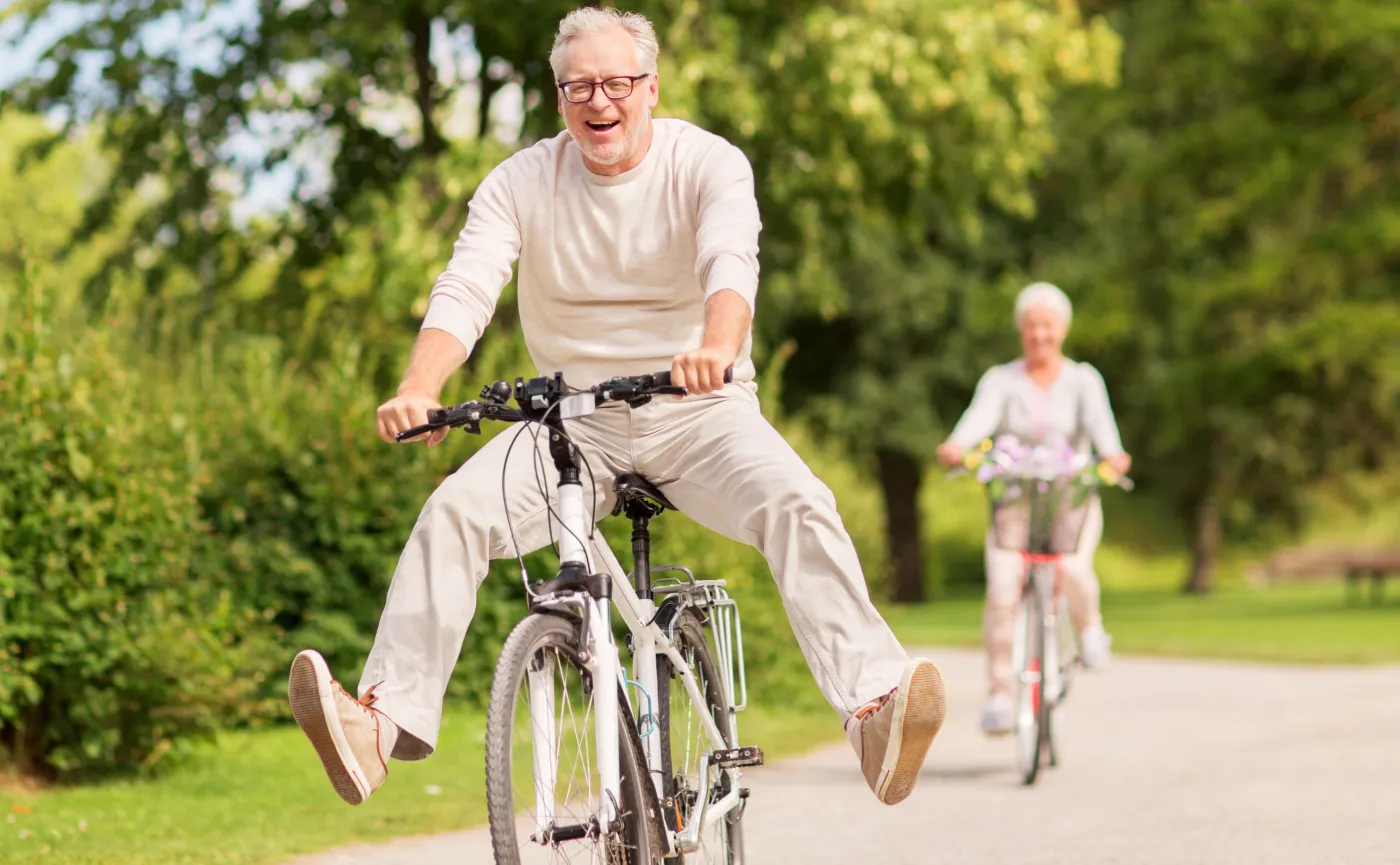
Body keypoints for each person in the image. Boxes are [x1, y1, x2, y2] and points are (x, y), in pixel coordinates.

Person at [286, 6, 946, 809]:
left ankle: (874, 710)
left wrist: (716, 344)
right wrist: (419, 386)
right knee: (453, 510)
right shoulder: (522, 180)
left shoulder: (707, 163)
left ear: (651, 88)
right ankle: (378, 727)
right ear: (559, 97)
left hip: (700, 410)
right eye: (579, 87)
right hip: (571, 423)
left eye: (616, 83)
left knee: (798, 500)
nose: (600, 101)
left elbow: (731, 263)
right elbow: (467, 286)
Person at [936, 281, 1131, 736]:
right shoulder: (1001, 380)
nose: (1039, 335)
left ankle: (1089, 631)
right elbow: (975, 422)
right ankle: (1001, 696)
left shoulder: (1084, 380)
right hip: (1016, 502)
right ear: (1020, 331)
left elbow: (1106, 435)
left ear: (1062, 330)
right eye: (1030, 327)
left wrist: (1113, 456)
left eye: (1047, 326)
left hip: (1071, 501)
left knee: (1073, 569)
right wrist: (957, 446)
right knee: (1003, 588)